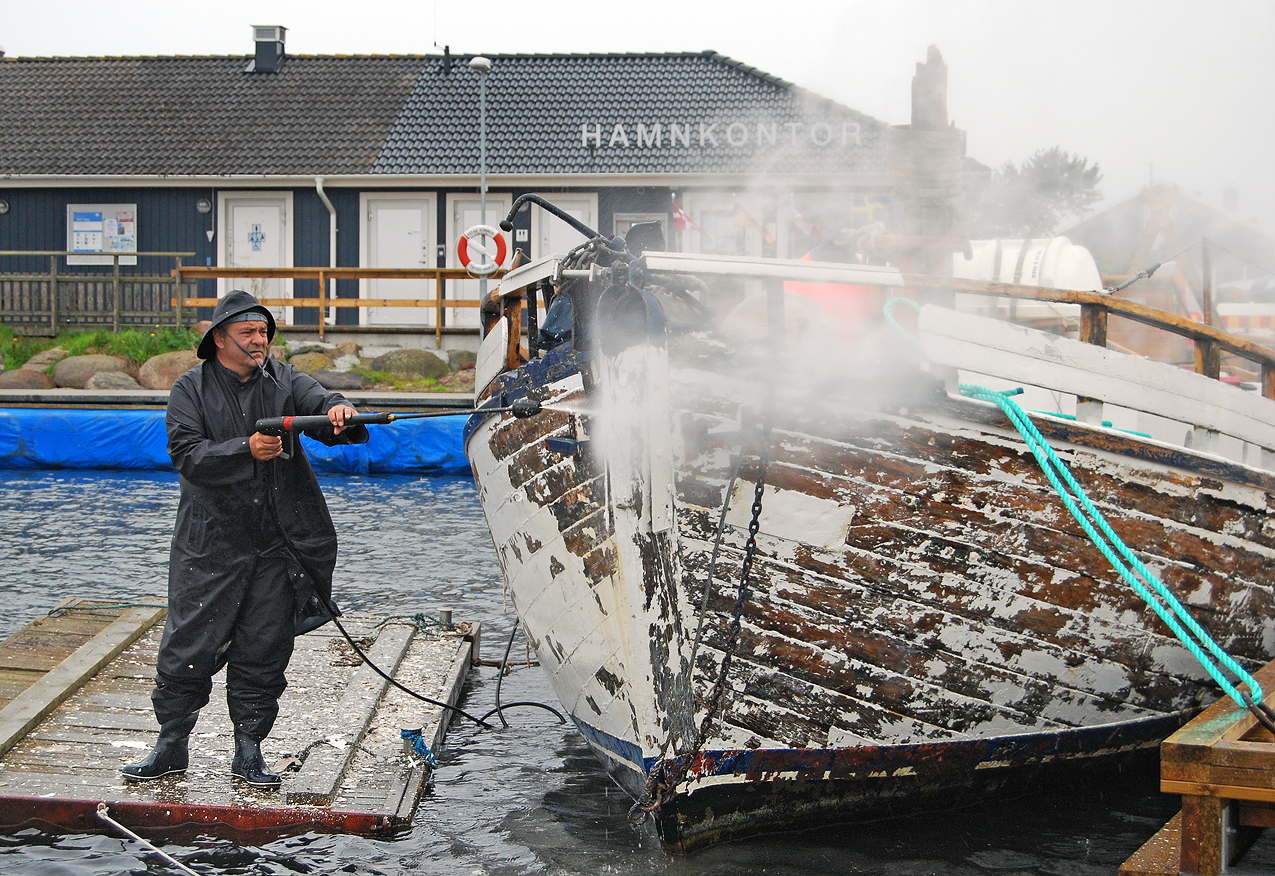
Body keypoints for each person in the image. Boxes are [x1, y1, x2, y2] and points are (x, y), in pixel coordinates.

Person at [122, 290, 369, 789]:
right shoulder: (188, 390)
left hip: (277, 542)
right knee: (188, 642)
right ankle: (171, 744)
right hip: (210, 543)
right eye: (250, 333)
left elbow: (318, 402)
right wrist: (245, 449)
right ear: (220, 339)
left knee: (264, 646)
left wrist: (339, 409)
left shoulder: (282, 378)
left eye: (265, 332)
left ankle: (249, 749)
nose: (260, 341)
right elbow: (188, 455)